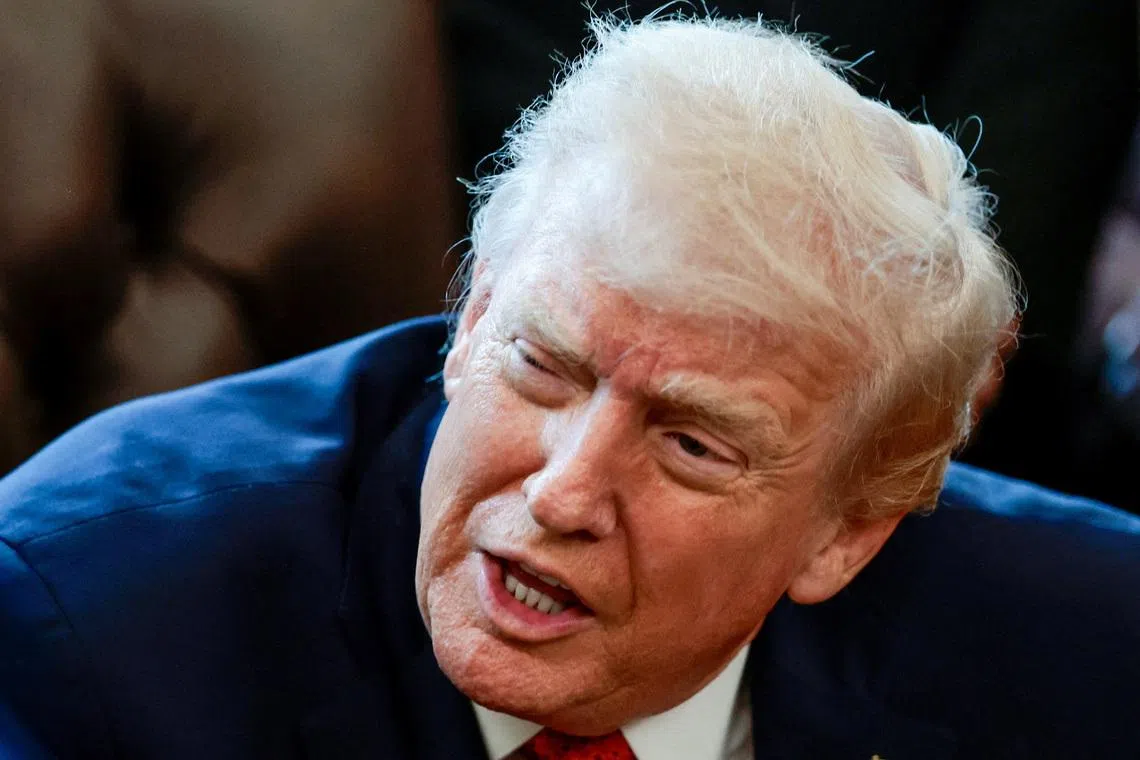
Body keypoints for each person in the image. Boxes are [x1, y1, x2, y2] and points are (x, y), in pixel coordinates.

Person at [1, 15, 1138, 760]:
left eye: (694, 443)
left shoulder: (1093, 644)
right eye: (542, 363)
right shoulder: (85, 623)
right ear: (475, 310)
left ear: (849, 528)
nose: (563, 490)